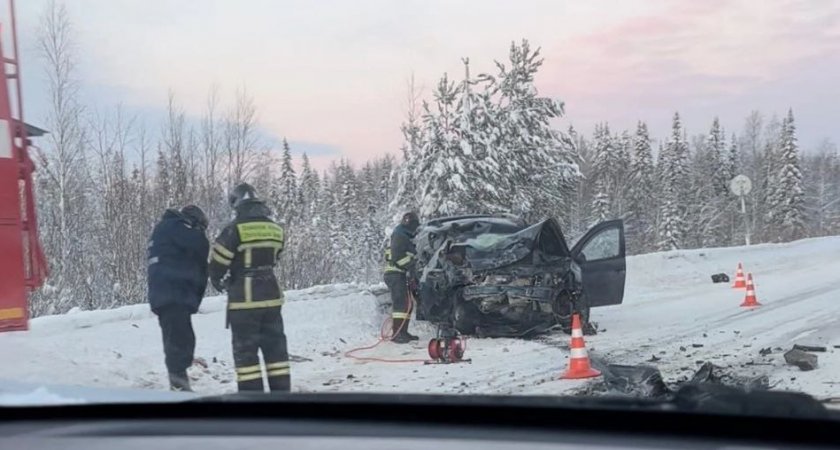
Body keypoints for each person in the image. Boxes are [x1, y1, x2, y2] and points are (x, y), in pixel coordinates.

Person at [209, 182, 291, 392]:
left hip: (244, 300)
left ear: (236, 204)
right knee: (276, 352)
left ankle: (252, 402)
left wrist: (218, 280)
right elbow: (277, 255)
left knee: (246, 355)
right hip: (272, 297)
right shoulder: (275, 228)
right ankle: (281, 398)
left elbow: (218, 262)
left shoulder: (233, 230)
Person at [147, 205, 210, 392]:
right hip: (173, 292)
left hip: (165, 292)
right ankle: (178, 384)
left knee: (178, 336)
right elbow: (200, 245)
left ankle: (179, 378)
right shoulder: (177, 227)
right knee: (178, 339)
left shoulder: (165, 229)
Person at [384, 211, 421, 344]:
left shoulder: (405, 235)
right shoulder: (400, 235)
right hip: (395, 274)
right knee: (401, 305)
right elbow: (398, 257)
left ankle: (403, 332)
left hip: (400, 274)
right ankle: (397, 334)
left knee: (407, 305)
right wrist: (412, 266)